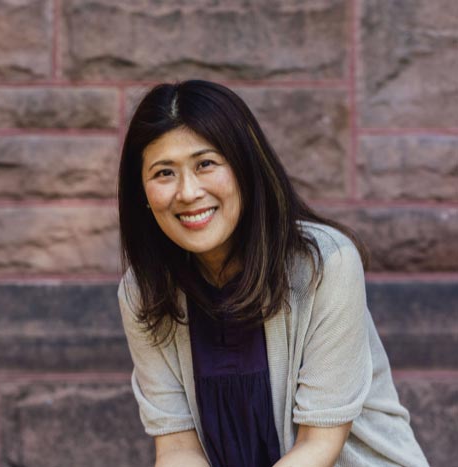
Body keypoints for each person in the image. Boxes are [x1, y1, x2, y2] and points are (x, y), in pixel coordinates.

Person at [117, 79, 428, 467]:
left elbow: (319, 447)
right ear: (142, 192)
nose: (188, 192)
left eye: (206, 164)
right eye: (164, 173)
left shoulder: (326, 265)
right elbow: (178, 449)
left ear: (246, 167)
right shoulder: (144, 292)